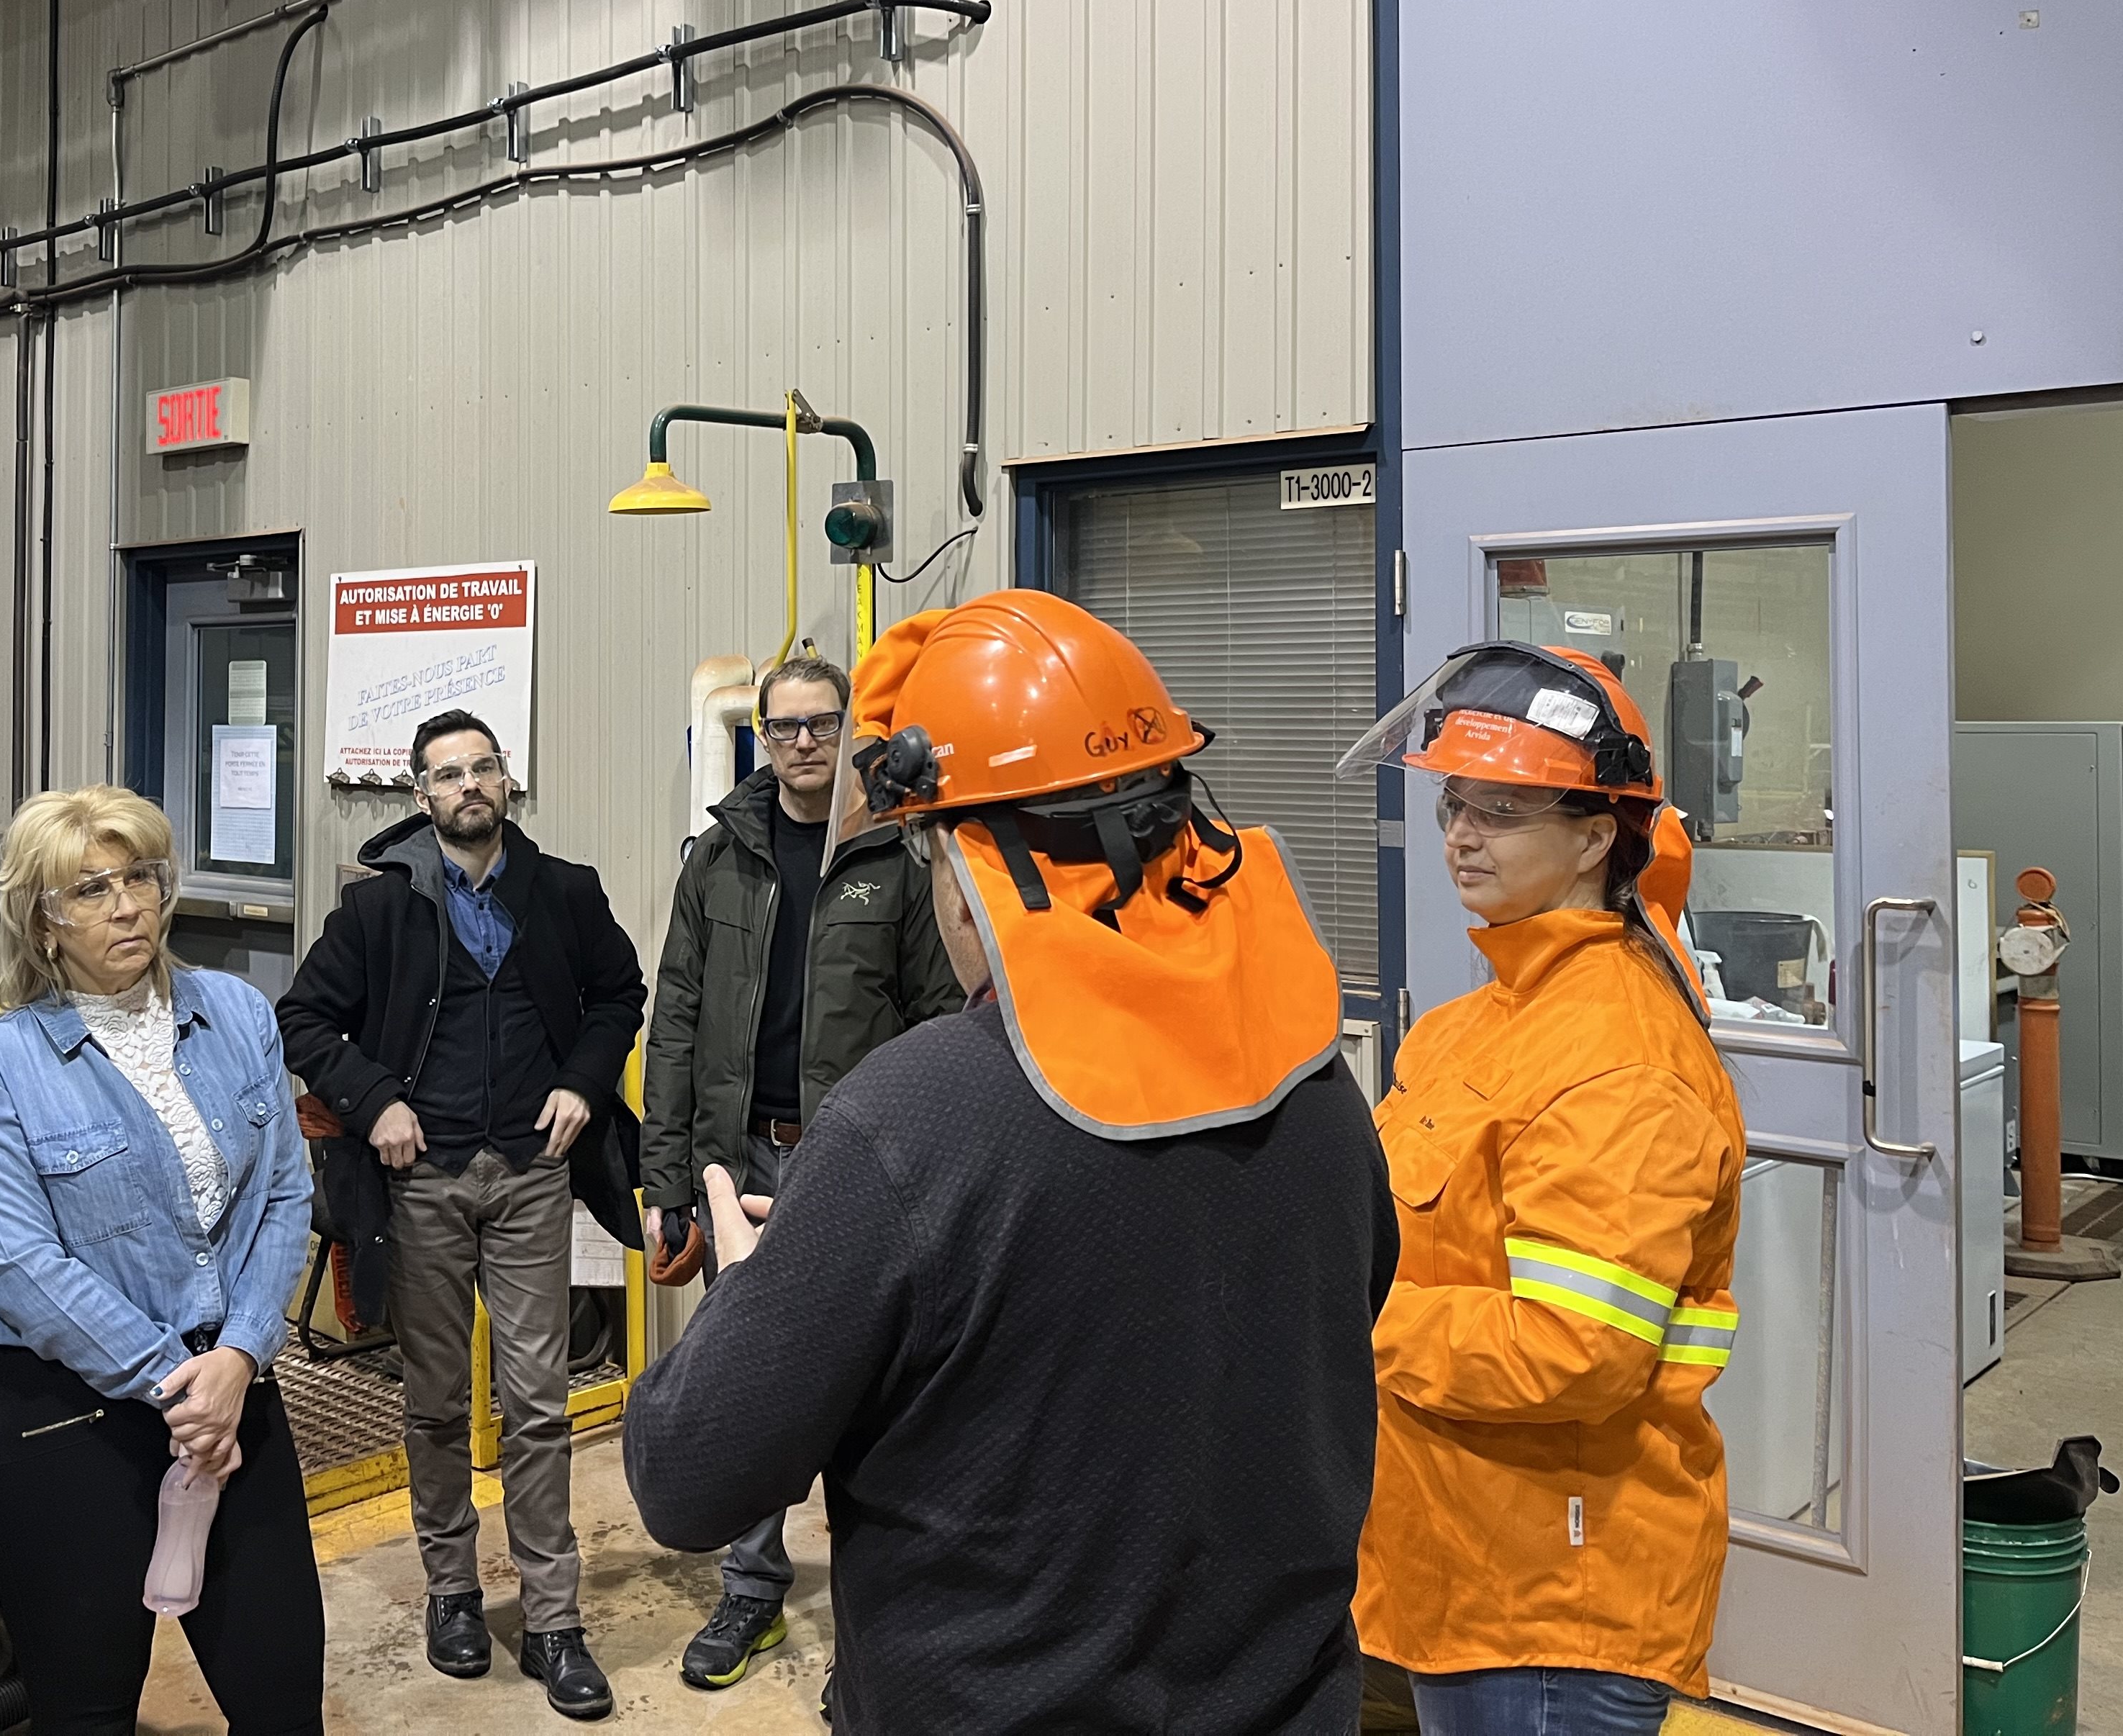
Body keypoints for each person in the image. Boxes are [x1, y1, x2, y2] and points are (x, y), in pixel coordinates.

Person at [624, 590, 1398, 1735]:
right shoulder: (1315, 1086)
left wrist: (754, 1296)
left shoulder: (906, 1122)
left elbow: (687, 1479)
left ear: (964, 860)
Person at [1334, 644, 1745, 1736]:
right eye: (1454, 804)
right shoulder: (1469, 1026)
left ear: (1596, 836)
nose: (1462, 835)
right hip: (1457, 1557)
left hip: (1558, 1599)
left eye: (1503, 810)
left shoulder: (1619, 1057)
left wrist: (1341, 1315)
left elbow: (1575, 1349)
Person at [278, 710, 646, 1722]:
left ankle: (555, 1620)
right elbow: (303, 1018)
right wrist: (375, 1103)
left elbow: (620, 993)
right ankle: (451, 1593)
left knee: (538, 1405)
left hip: (532, 1175)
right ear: (422, 796)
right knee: (438, 1404)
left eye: (484, 767)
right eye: (449, 774)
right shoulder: (378, 909)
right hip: (423, 1185)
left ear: (507, 780)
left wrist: (583, 1082)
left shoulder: (564, 891)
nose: (470, 784)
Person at [0, 785, 322, 1735]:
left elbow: (284, 1195)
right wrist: (177, 1385)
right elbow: (17, 1264)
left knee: (283, 1702)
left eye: (139, 879)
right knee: (89, 1713)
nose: (126, 907)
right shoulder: (0, 1065)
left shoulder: (238, 1014)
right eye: (90, 890)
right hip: (68, 1422)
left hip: (233, 1393)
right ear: (43, 921)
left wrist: (239, 1356)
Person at [642, 651, 963, 1688]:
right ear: (762, 737)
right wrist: (667, 1177)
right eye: (783, 727)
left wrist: (923, 1156)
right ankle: (752, 1591)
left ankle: (874, 1627)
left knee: (877, 1387)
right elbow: (676, 1017)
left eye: (822, 724)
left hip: (854, 1161)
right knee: (753, 1381)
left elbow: (942, 1018)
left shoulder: (897, 856)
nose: (803, 743)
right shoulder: (719, 857)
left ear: (850, 731)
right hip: (739, 1156)